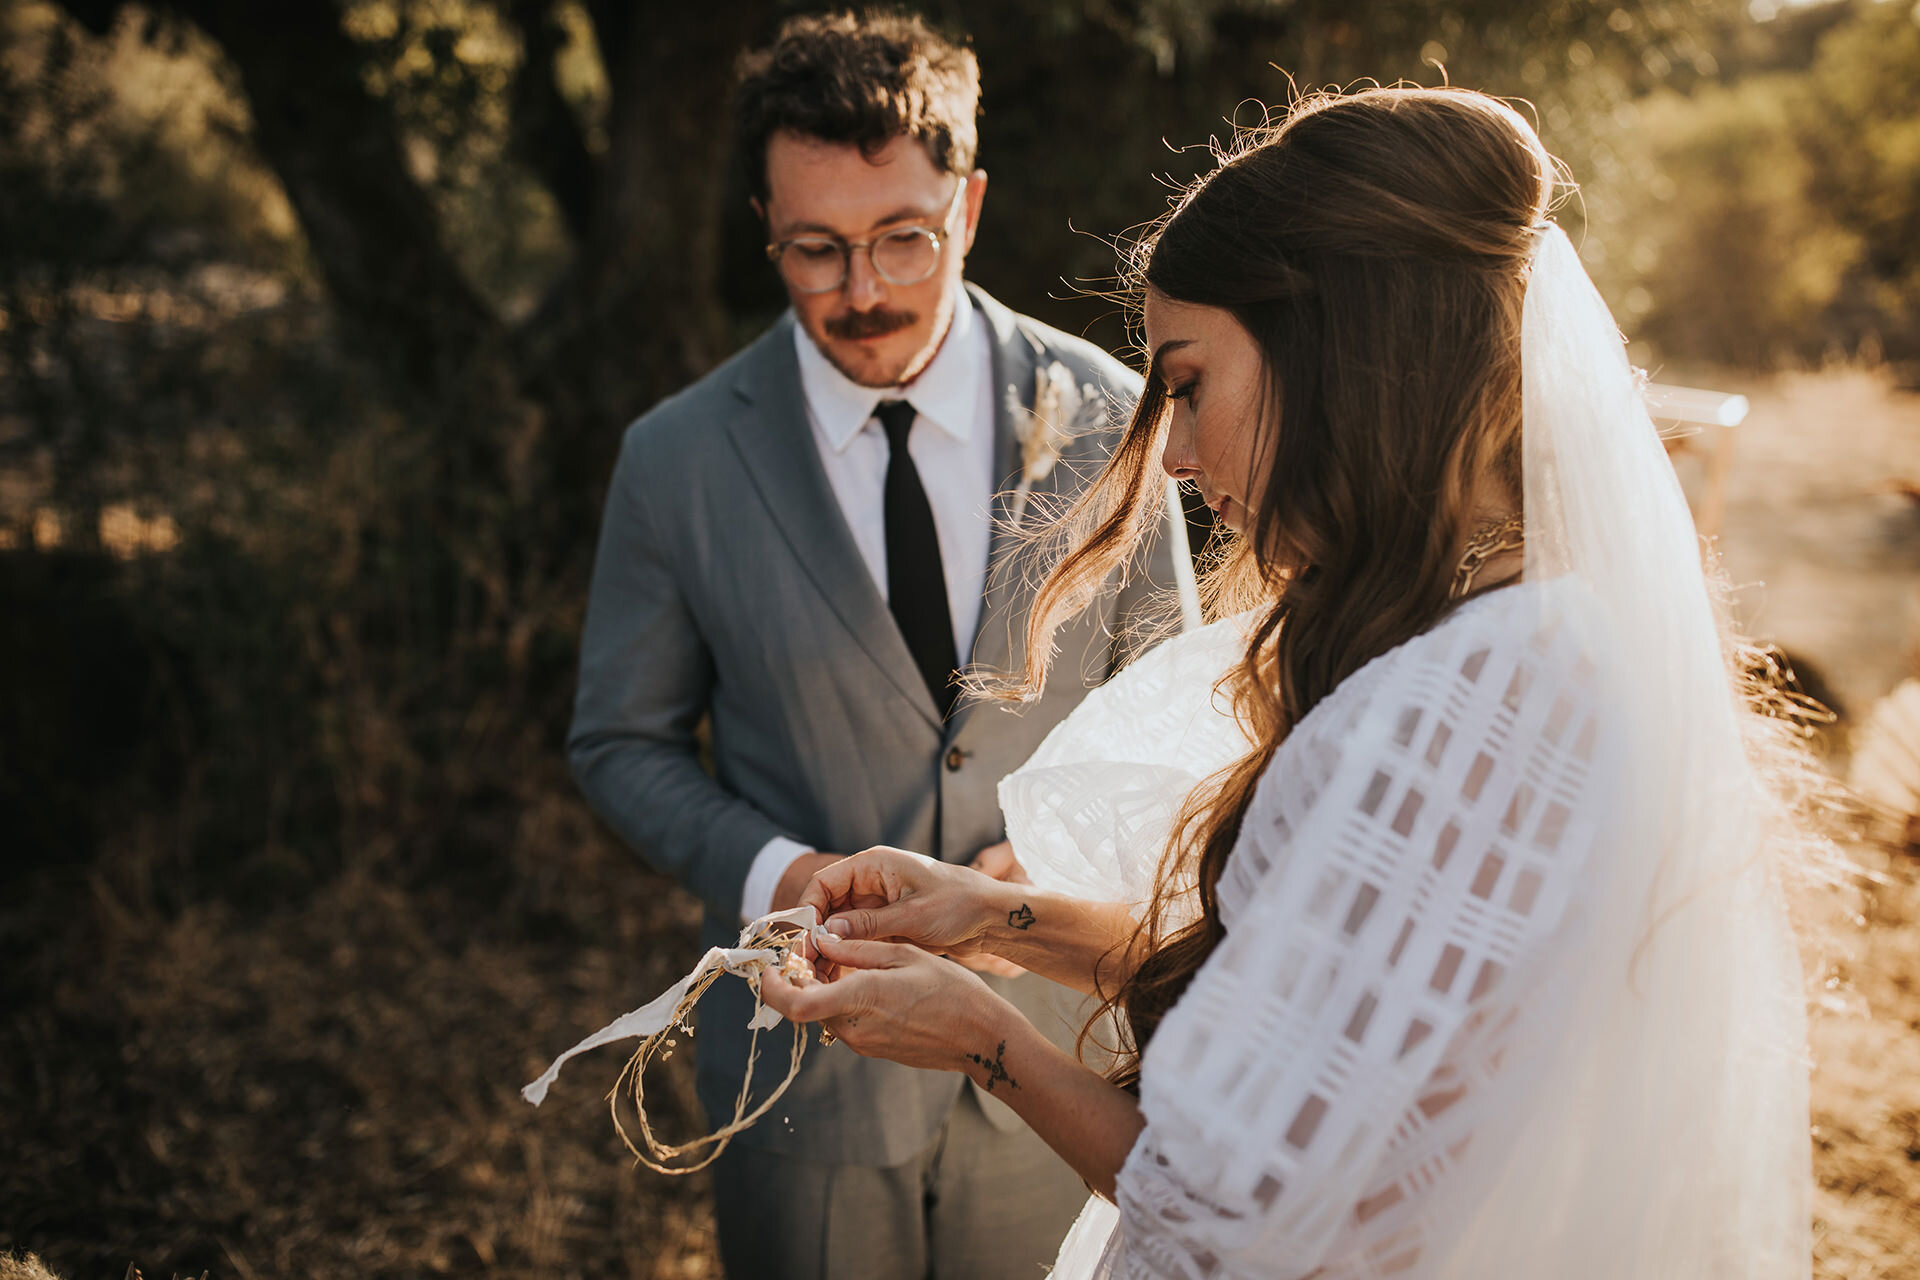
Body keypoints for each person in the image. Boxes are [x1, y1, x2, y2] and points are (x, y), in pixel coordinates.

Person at [761, 86, 1820, 1278]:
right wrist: (991, 910)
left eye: (1192, 381)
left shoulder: (1450, 708)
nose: (1171, 449)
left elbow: (1223, 1220)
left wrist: (985, 1041)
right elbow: (1321, 1009)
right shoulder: (1523, 632)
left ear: (1339, 352)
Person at [566, 11, 1190, 1280]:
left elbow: (1182, 715)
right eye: (816, 250)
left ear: (967, 207)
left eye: (903, 237)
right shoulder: (676, 459)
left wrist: (1045, 865)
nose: (863, 290)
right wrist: (779, 873)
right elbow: (620, 740)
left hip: (1065, 1061)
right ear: (763, 227)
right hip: (803, 1070)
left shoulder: (1114, 419)